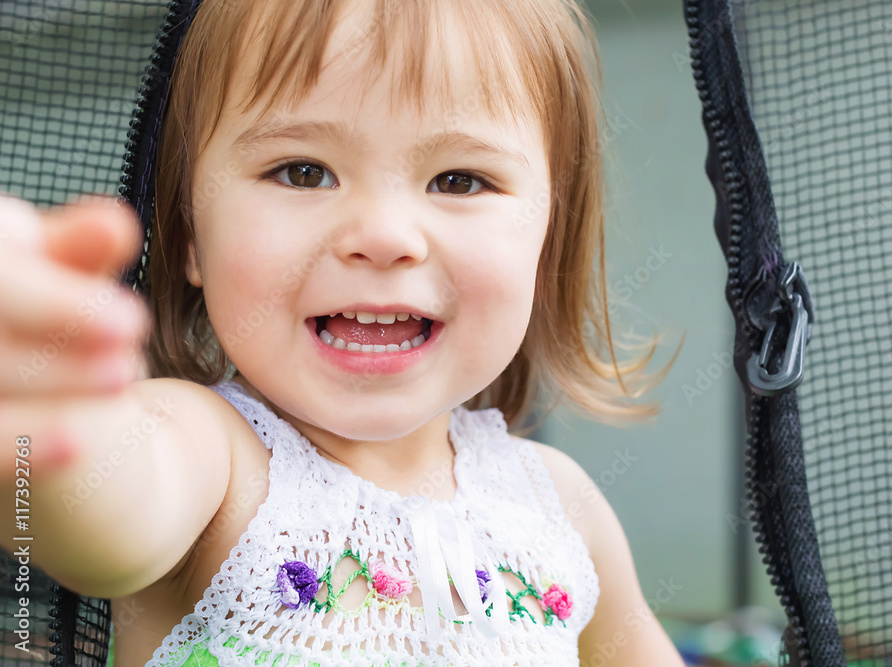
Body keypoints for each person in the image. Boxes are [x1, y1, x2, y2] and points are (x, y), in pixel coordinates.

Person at [0, 0, 685, 664]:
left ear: (547, 243)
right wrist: (51, 419)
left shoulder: (562, 510)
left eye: (459, 179)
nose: (384, 236)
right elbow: (108, 502)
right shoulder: (216, 460)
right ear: (191, 237)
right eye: (303, 172)